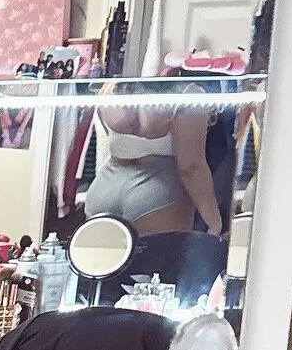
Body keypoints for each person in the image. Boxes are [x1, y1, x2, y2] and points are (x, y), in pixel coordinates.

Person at [85, 78, 225, 236]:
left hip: (106, 185)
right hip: (158, 190)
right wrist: (214, 222)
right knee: (159, 252)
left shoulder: (110, 87)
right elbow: (190, 167)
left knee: (101, 252)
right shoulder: (187, 93)